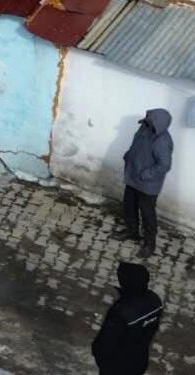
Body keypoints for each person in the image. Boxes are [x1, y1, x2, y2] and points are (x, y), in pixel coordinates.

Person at [116, 109, 173, 258]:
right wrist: (128, 155)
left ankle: (149, 244)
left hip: (148, 185)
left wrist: (146, 174)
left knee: (147, 215)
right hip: (133, 178)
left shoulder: (163, 141)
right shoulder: (143, 128)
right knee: (129, 206)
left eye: (150, 116)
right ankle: (132, 232)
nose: (147, 117)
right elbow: (136, 145)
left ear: (158, 121)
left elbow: (164, 165)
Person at [91, 261, 164, 375]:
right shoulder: (155, 300)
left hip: (117, 366)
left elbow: (106, 343)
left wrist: (98, 352)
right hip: (139, 359)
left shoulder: (122, 311)